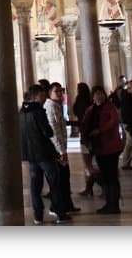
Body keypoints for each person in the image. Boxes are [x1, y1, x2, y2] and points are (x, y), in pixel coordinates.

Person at [20, 86, 72, 224]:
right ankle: (60, 213)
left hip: (31, 154)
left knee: (35, 186)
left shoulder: (22, 112)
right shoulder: (38, 111)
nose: (44, 98)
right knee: (54, 182)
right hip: (44, 153)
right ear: (35, 96)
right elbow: (48, 132)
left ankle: (38, 216)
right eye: (42, 96)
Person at [79, 84, 125, 214]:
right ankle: (109, 203)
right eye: (96, 94)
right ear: (93, 97)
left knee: (112, 176)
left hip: (111, 147)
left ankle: (114, 205)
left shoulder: (110, 107)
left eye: (101, 93)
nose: (99, 96)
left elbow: (113, 121)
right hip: (99, 148)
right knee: (105, 176)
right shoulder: (90, 109)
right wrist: (85, 139)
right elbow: (85, 125)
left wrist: (100, 130)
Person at [43, 82, 78, 216]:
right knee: (59, 179)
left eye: (61, 91)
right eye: (56, 91)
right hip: (56, 151)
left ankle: (67, 204)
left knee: (65, 177)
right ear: (49, 93)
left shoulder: (56, 106)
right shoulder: (50, 108)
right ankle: (56, 207)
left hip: (61, 148)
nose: (59, 94)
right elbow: (54, 132)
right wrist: (61, 151)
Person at [70, 82, 96, 198]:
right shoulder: (91, 102)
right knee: (93, 162)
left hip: (85, 134)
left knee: (88, 164)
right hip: (93, 134)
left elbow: (75, 111)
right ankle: (100, 186)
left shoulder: (79, 101)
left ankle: (91, 187)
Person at [115, 78, 132, 171]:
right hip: (128, 123)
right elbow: (127, 113)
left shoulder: (128, 98)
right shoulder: (127, 99)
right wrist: (128, 125)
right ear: (128, 89)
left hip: (128, 123)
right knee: (130, 143)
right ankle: (125, 163)